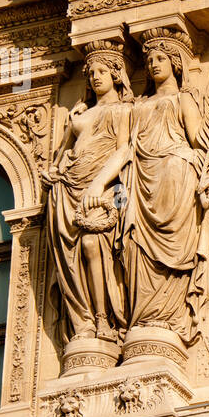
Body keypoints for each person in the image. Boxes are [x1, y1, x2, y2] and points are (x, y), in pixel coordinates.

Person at [122, 27, 209, 341]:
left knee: (173, 244)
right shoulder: (138, 105)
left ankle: (168, 314)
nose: (153, 64)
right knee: (134, 244)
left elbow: (199, 139)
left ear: (175, 63)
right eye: (149, 60)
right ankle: (144, 317)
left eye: (161, 58)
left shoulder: (182, 99)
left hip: (175, 174)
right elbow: (123, 143)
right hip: (140, 179)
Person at [43, 41, 131, 344]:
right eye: (91, 72)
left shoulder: (123, 111)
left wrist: (99, 184)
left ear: (116, 75)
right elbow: (60, 157)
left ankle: (103, 318)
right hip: (70, 187)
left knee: (93, 245)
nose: (95, 77)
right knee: (72, 257)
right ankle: (85, 319)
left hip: (103, 186)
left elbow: (124, 152)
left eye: (102, 71)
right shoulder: (81, 114)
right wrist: (71, 125)